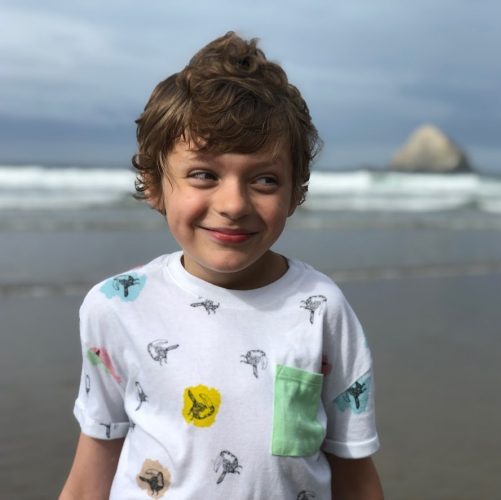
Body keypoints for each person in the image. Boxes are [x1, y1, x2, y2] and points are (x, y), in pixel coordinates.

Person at [59, 31, 383, 499]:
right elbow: (94, 464)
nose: (233, 203)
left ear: (295, 193)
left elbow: (354, 472)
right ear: (154, 183)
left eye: (265, 180)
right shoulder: (115, 306)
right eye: (203, 175)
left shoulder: (321, 309)